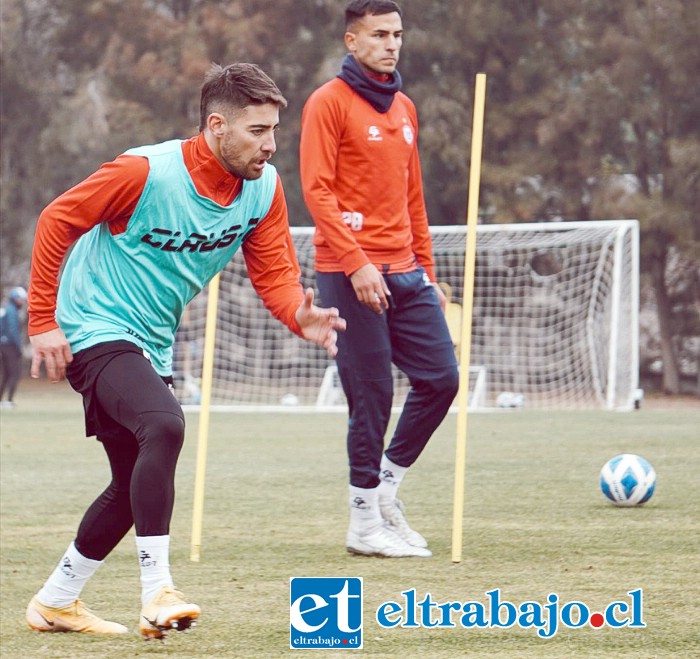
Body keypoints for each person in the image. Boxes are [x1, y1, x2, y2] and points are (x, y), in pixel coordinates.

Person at [26, 62, 345, 639]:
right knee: (165, 427)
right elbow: (57, 219)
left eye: (275, 130)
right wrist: (42, 320)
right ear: (216, 125)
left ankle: (56, 601)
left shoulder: (263, 190)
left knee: (131, 485)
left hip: (150, 341)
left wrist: (301, 314)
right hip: (92, 326)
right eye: (257, 131)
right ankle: (157, 593)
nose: (270, 145)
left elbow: (275, 273)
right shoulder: (145, 171)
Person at [299, 0, 460, 559]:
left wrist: (429, 272)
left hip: (407, 272)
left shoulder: (406, 108)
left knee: (441, 379)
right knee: (371, 396)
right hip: (347, 272)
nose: (391, 44)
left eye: (397, 34)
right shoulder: (327, 103)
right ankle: (363, 524)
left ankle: (385, 491)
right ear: (352, 40)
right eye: (379, 34)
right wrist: (357, 262)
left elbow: (413, 198)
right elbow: (317, 192)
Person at [0, 286, 28, 408]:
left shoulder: (5, 308)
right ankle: (9, 400)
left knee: (5, 374)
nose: (22, 302)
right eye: (21, 299)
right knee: (14, 373)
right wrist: (19, 347)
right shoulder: (11, 310)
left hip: (3, 345)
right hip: (10, 346)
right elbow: (13, 330)